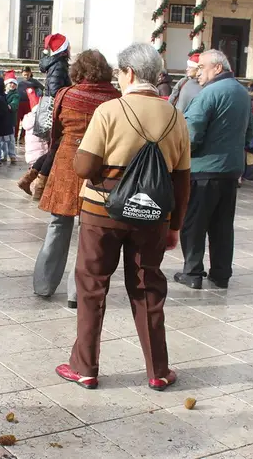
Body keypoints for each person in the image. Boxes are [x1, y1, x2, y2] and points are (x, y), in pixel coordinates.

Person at [55, 42, 191, 391]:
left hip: (102, 212)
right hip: (153, 217)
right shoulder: (175, 116)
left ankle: (85, 367)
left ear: (129, 73)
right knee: (147, 288)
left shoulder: (110, 110)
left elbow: (85, 166)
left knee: (91, 286)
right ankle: (158, 371)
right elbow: (181, 180)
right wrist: (174, 226)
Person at [33, 49, 120, 307]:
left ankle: (44, 284)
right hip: (98, 166)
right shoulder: (115, 98)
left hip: (67, 164)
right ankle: (76, 293)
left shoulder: (66, 95)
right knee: (88, 230)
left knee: (57, 225)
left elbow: (54, 131)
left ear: (77, 71)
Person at [174, 50, 253, 290]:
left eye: (202, 68)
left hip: (203, 170)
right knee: (222, 225)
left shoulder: (208, 94)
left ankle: (193, 272)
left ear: (217, 68)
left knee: (194, 223)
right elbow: (249, 133)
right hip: (230, 170)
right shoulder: (242, 92)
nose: (198, 74)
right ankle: (220, 273)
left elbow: (192, 134)